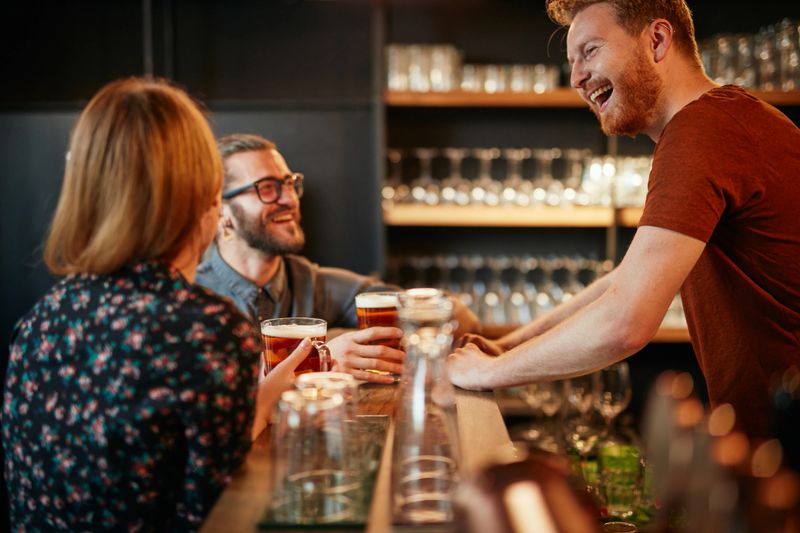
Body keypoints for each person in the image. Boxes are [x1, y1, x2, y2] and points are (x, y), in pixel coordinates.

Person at [448, 0, 800, 438]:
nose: (576, 78)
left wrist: (488, 374)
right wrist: (505, 347)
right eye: (572, 61)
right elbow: (623, 284)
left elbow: (625, 322)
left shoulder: (705, 131)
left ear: (656, 40)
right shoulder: (719, 122)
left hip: (785, 443)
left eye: (590, 51)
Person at [1, 77, 308, 531]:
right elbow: (221, 514)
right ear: (209, 202)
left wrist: (255, 404)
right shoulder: (204, 329)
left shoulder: (40, 320)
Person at [195, 133, 480, 383]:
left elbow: (459, 316)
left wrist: (346, 343)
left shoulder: (315, 283)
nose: (290, 199)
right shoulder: (189, 292)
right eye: (267, 188)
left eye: (289, 183)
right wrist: (323, 351)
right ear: (221, 209)